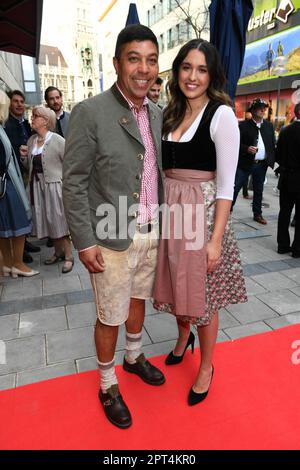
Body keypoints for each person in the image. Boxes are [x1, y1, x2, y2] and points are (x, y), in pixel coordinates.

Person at [63, 24, 165, 429]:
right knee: (110, 314)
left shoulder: (157, 113)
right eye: (134, 58)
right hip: (109, 237)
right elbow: (73, 182)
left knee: (138, 300)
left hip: (151, 229)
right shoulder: (91, 112)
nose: (144, 68)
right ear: (118, 63)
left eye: (152, 59)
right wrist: (84, 241)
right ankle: (107, 384)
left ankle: (135, 356)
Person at [153, 39, 247, 406]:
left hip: (203, 214)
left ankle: (206, 366)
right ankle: (182, 339)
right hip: (173, 211)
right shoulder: (170, 113)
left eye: (202, 69)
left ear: (212, 75)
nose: (193, 76)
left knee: (203, 299)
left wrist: (215, 240)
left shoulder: (221, 114)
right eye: (187, 67)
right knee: (176, 287)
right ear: (177, 71)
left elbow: (226, 185)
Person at [20, 106, 74, 273]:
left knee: (59, 221)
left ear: (45, 120)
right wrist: (23, 157)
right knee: (48, 221)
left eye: (35, 116)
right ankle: (57, 252)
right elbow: (29, 166)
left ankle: (68, 256)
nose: (32, 119)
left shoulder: (58, 140)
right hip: (37, 187)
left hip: (54, 186)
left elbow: (70, 164)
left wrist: (67, 185)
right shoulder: (31, 141)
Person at [0, 90, 39, 278]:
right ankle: (17, 262)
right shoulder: (4, 126)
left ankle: (9, 263)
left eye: (21, 101)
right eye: (12, 102)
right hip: (8, 182)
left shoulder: (16, 124)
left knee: (8, 223)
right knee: (18, 220)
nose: (17, 105)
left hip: (14, 177)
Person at [232, 98, 276, 224]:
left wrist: (271, 161)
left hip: (261, 165)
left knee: (259, 190)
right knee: (235, 188)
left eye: (264, 108)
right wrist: (246, 149)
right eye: (260, 108)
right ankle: (227, 212)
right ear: (253, 111)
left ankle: (257, 214)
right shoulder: (243, 126)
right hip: (244, 164)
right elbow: (234, 144)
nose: (263, 110)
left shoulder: (268, 126)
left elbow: (272, 144)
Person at [276, 103, 300, 257]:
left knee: (284, 212)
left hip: (286, 178)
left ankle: (283, 245)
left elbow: (278, 156)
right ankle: (297, 249)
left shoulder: (285, 131)